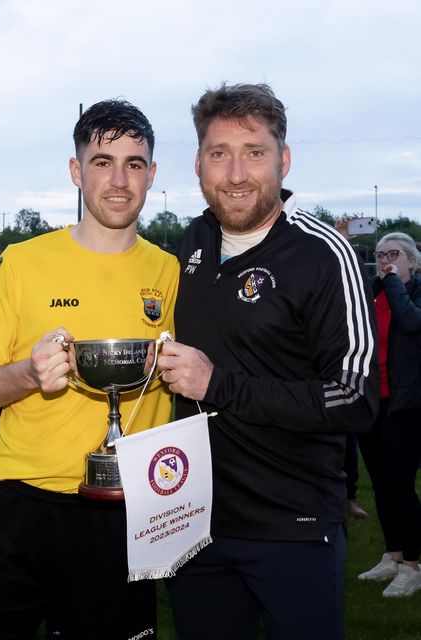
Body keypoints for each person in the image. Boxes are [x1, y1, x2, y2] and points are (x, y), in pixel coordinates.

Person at [156, 83, 379, 640]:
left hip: (292, 526)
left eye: (254, 152)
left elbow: (354, 397)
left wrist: (218, 384)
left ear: (283, 159)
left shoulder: (322, 253)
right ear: (198, 164)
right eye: (219, 153)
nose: (236, 173)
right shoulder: (192, 241)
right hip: (193, 521)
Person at [0, 99, 179, 640]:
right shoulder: (21, 263)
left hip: (125, 509)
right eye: (102, 161)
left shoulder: (170, 271)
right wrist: (27, 375)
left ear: (152, 175)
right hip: (17, 504)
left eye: (134, 163)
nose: (119, 179)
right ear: (77, 171)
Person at [355, 232, 421, 596]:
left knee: (400, 486)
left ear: (412, 259)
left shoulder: (409, 292)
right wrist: (382, 281)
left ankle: (413, 564)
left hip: (405, 405)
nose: (384, 260)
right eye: (380, 255)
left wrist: (393, 280)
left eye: (393, 254)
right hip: (372, 402)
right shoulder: (376, 290)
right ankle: (393, 555)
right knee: (381, 485)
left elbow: (411, 322)